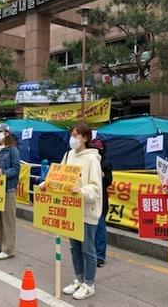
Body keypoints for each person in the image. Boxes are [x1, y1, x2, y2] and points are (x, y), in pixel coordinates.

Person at [41, 122, 102, 300]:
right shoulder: (68, 155)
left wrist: (81, 191)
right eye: (72, 135)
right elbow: (58, 177)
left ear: (85, 137)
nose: (72, 139)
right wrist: (46, 184)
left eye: (76, 135)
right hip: (71, 209)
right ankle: (79, 278)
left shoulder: (92, 159)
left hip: (87, 211)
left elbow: (96, 189)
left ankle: (89, 284)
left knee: (88, 249)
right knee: (75, 248)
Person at [0, 123, 21, 260]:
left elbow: (16, 169)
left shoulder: (13, 151)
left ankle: (9, 249)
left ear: (6, 133)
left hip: (8, 189)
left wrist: (3, 173)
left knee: (8, 220)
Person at [90, 138, 113, 268]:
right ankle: (89, 253)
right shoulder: (88, 161)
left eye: (98, 150)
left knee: (100, 228)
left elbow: (109, 181)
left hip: (100, 200)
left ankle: (100, 256)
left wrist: (103, 175)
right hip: (88, 199)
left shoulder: (105, 163)